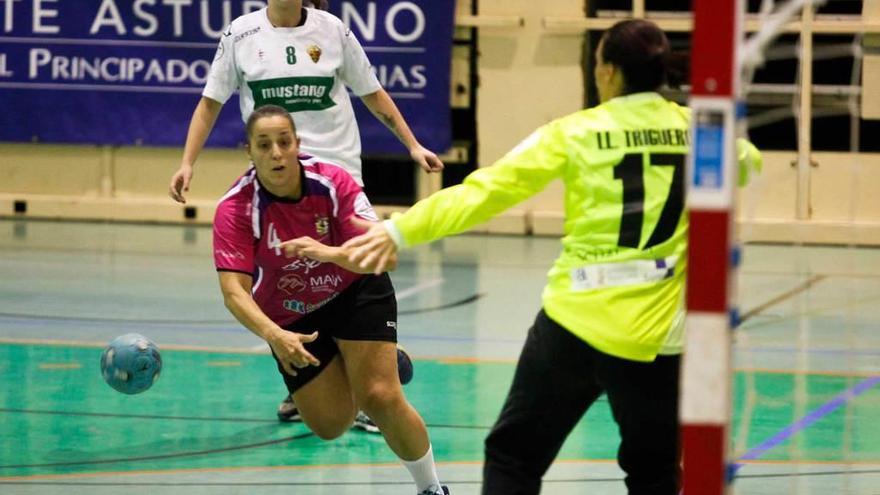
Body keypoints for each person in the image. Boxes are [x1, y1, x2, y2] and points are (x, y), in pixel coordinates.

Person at [342, 19, 762, 495]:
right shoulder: (696, 130)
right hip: (657, 335)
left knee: (514, 457)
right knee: (655, 470)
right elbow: (748, 162)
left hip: (575, 324)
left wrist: (399, 230)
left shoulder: (577, 132)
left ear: (606, 71)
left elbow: (486, 192)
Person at [172, 0, 442, 428]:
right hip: (279, 189)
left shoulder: (332, 31)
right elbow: (210, 103)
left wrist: (411, 144)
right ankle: (311, 383)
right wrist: (188, 162)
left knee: (362, 269)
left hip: (337, 184)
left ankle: (373, 370)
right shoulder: (240, 35)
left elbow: (373, 92)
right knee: (290, 282)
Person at [214, 104, 448, 495]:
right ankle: (362, 361)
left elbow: (385, 255)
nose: (276, 153)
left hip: (354, 289)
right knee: (329, 425)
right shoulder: (236, 209)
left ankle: (432, 488)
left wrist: (327, 253)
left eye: (284, 142)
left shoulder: (333, 184)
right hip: (291, 319)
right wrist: (274, 336)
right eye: (264, 144)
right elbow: (234, 291)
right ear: (249, 151)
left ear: (297, 145)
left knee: (380, 396)